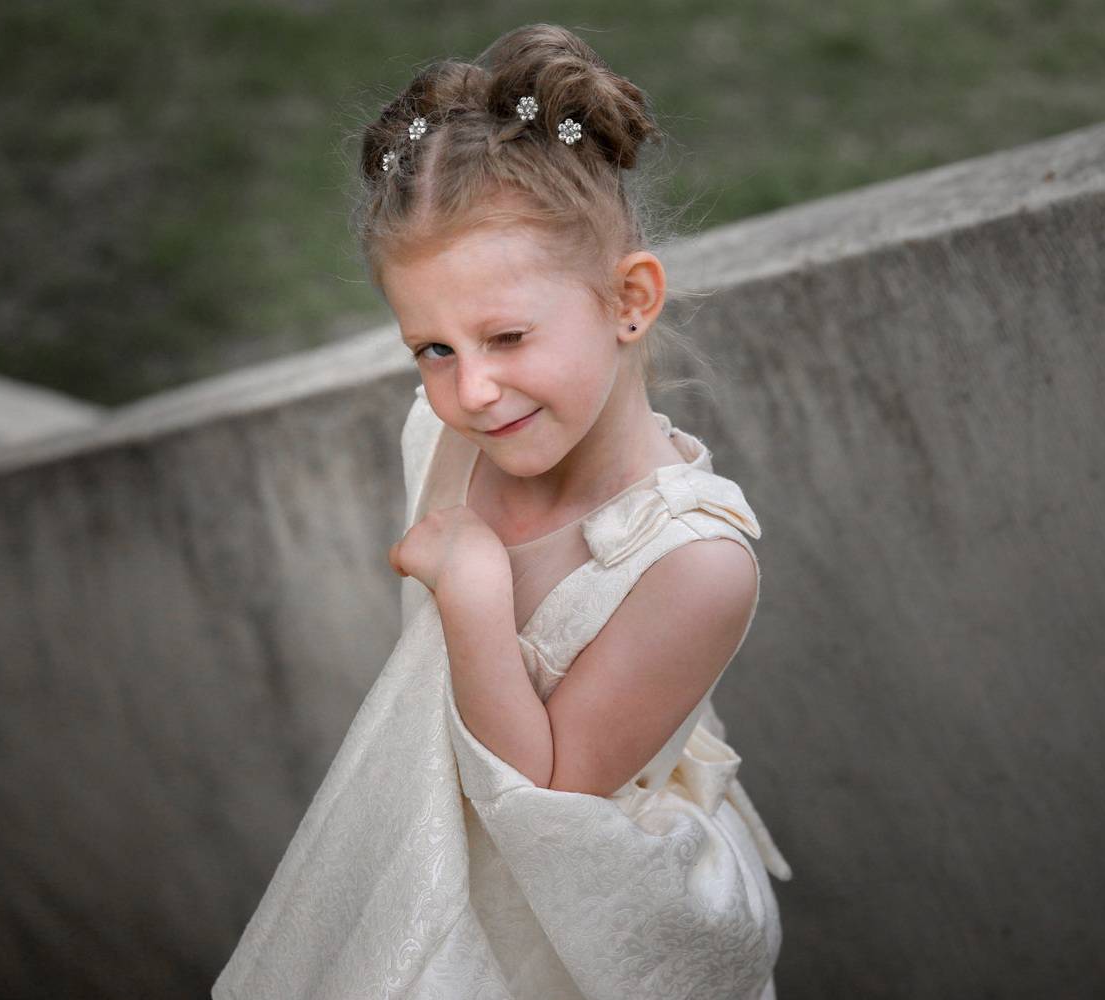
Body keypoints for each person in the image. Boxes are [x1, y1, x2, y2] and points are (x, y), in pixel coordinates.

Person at [212, 23, 791, 1000]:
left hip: (567, 936)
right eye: (433, 349)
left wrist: (477, 594)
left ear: (629, 298)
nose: (471, 390)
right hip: (434, 871)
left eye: (507, 336)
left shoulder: (694, 564)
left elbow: (546, 811)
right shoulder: (442, 436)